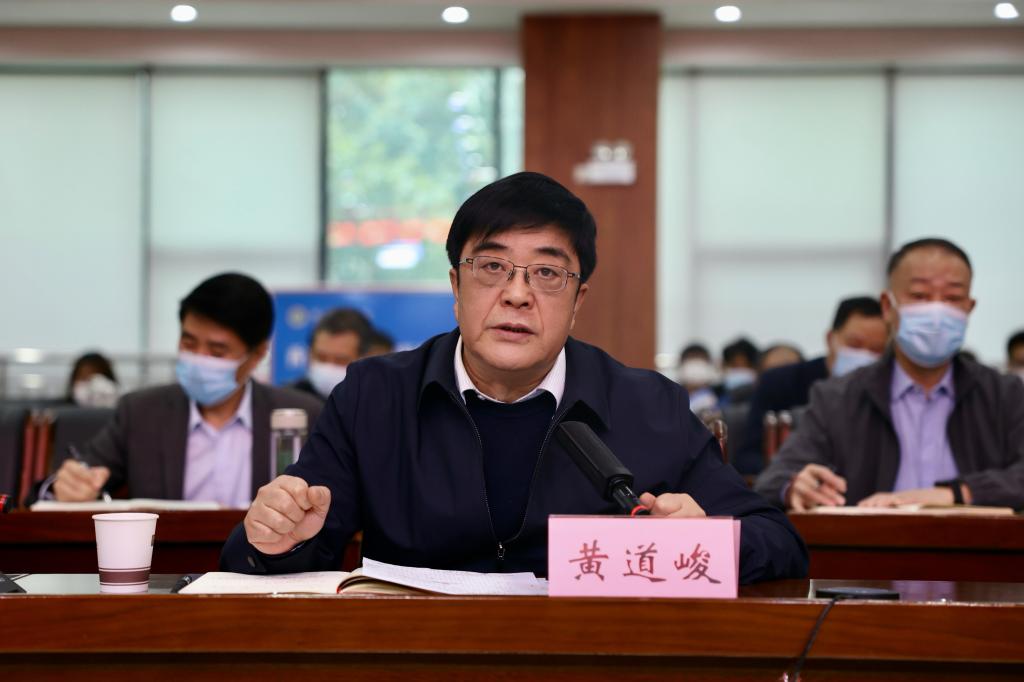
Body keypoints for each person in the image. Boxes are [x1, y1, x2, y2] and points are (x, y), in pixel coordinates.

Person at [222, 172, 807, 583]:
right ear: (456, 287)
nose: (518, 294)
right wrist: (274, 540)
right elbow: (281, 551)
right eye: (493, 267)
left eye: (547, 273)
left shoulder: (647, 405)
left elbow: (779, 542)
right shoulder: (374, 397)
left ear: (577, 302)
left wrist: (709, 542)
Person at [754, 238, 1024, 511]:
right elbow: (774, 480)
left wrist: (957, 493)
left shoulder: (1005, 394)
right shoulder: (838, 397)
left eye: (952, 298)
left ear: (969, 308)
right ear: (887, 306)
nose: (936, 312)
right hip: (868, 536)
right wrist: (794, 486)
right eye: (919, 295)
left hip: (978, 538)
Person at [47, 273, 323, 507]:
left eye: (217, 351)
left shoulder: (302, 415)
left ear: (257, 354)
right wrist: (67, 486)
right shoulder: (141, 413)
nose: (199, 359)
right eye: (189, 343)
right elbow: (70, 480)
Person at [732, 297, 887, 475]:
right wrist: (790, 476)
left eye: (877, 350)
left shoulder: (886, 389)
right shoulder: (781, 382)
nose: (865, 355)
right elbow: (748, 457)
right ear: (830, 339)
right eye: (854, 345)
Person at [290, 308, 373, 400]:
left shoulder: (379, 401)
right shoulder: (289, 401)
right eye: (321, 358)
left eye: (340, 360)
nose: (329, 367)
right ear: (310, 353)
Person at [675, 343, 719, 413]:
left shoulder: (722, 400)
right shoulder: (669, 398)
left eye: (700, 362)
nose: (695, 369)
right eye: (690, 361)